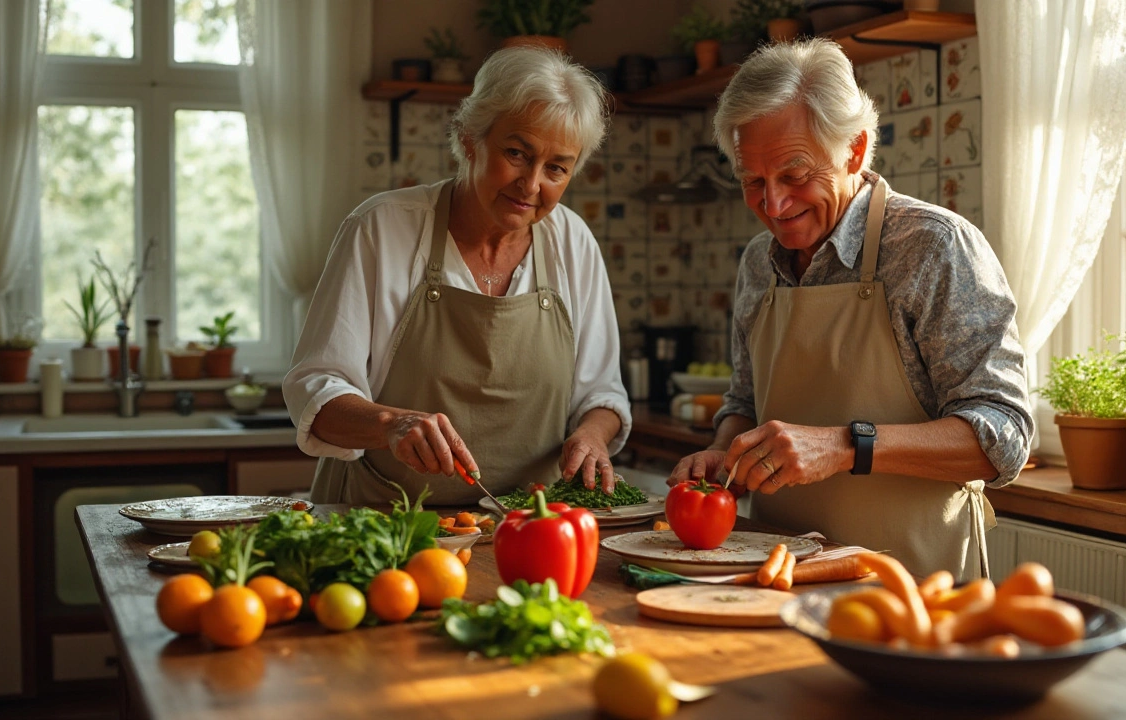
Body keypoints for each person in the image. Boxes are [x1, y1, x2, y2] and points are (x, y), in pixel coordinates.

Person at [669, 39, 1033, 580]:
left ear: (855, 150)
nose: (773, 205)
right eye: (753, 182)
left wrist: (845, 445)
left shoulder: (934, 247)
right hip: (776, 579)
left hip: (913, 586)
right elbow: (746, 400)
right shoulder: (756, 263)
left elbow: (1004, 438)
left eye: (795, 175)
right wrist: (724, 449)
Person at [284, 46, 630, 506]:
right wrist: (391, 425)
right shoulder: (381, 229)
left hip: (526, 530)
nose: (531, 185)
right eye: (516, 153)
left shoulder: (574, 243)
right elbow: (316, 390)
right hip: (383, 526)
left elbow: (602, 392)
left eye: (556, 168)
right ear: (469, 138)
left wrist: (591, 435)